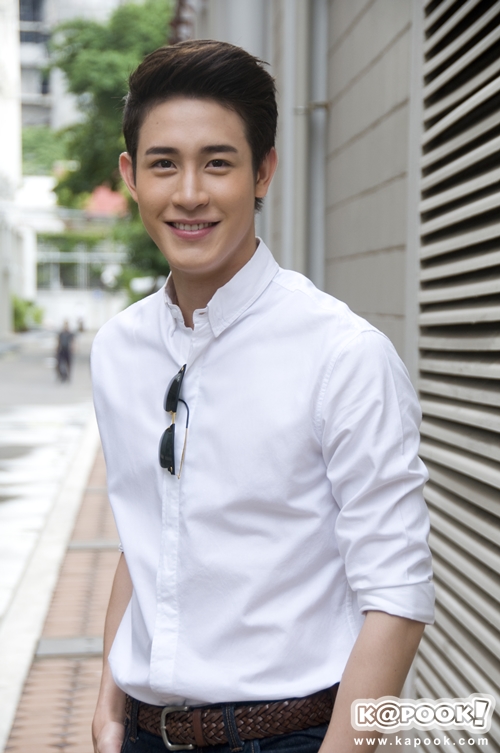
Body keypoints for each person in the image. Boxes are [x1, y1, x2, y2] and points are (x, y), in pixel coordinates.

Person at [91, 40, 434, 753]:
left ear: (263, 173)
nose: (189, 193)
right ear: (130, 176)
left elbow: (397, 595)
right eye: (164, 164)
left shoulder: (342, 354)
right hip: (146, 735)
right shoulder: (118, 350)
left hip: (291, 734)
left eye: (218, 163)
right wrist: (107, 701)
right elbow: (148, 528)